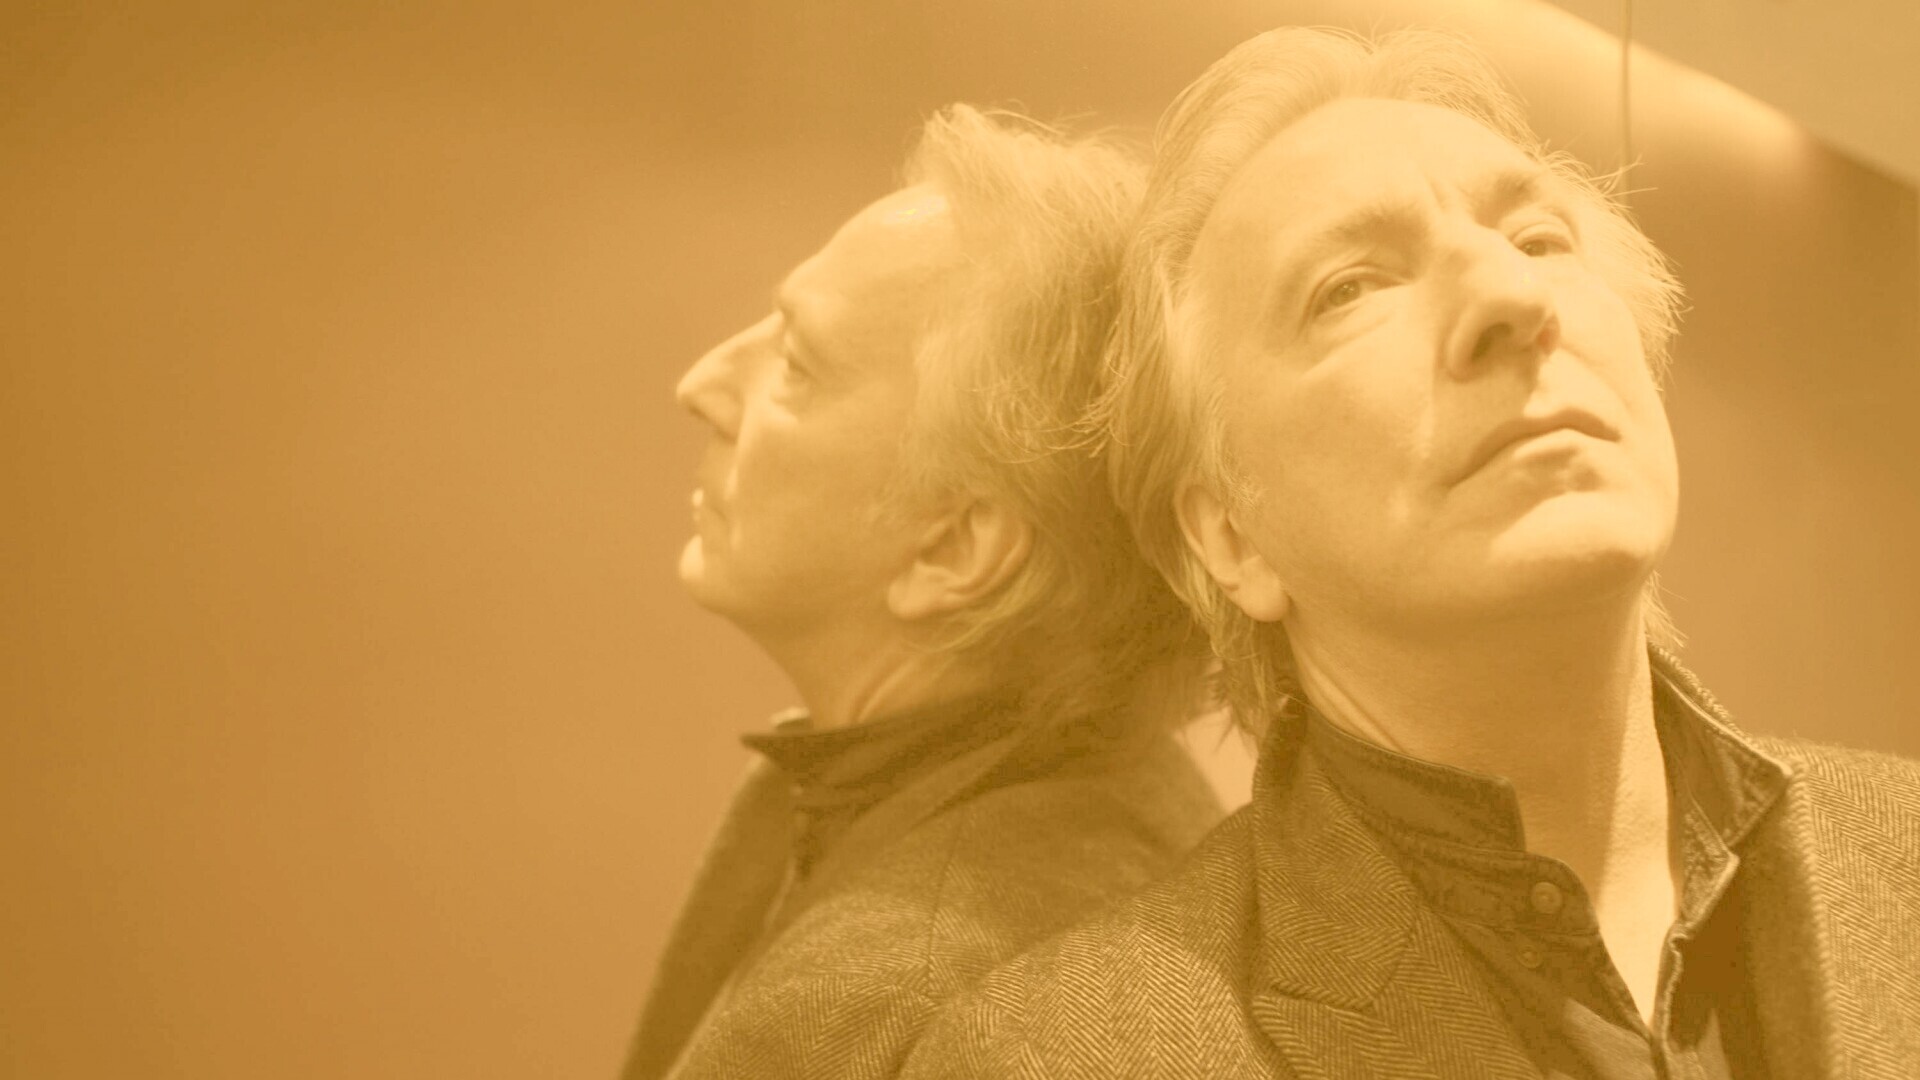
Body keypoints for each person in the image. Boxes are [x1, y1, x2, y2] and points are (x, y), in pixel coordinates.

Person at [902, 28, 1920, 1080]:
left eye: (1539, 240)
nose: (1514, 299)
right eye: (1349, 288)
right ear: (1230, 535)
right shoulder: (1066, 1057)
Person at [618, 105, 1224, 1080]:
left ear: (953, 547)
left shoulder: (897, 1001)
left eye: (798, 365)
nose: (703, 382)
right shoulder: (1121, 801)